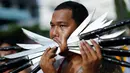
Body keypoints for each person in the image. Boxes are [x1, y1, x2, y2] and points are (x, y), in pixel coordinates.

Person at [40, 1, 122, 73]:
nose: (54, 33)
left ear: (82, 28)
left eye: (62, 25)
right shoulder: (55, 62)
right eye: (52, 25)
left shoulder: (102, 63)